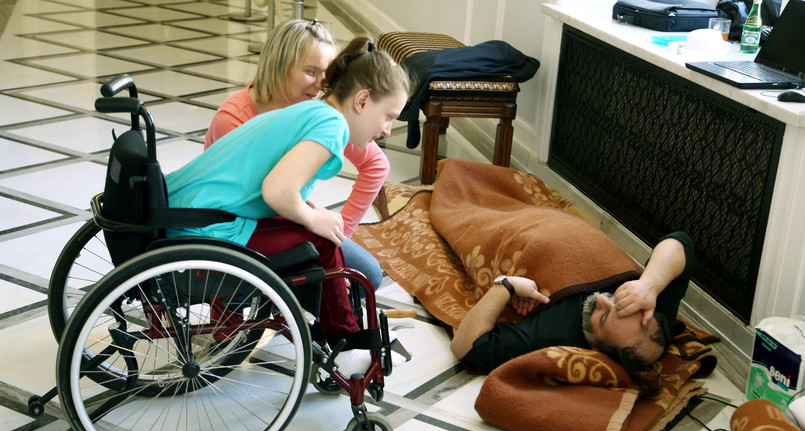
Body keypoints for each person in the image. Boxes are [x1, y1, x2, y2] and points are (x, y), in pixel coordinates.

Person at [165, 37, 409, 375]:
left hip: (187, 210)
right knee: (320, 241)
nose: (387, 129)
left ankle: (335, 332)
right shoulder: (331, 124)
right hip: (204, 224)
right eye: (389, 116)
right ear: (363, 100)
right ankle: (346, 345)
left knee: (313, 234)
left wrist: (312, 217)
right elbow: (277, 192)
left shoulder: (314, 111)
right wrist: (315, 218)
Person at [204, 19, 387, 292]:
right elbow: (253, 201)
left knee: (367, 275)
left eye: (326, 73)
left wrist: (339, 233)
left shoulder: (318, 112)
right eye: (311, 71)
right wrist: (310, 216)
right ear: (278, 66)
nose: (321, 84)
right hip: (238, 229)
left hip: (287, 219)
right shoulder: (233, 119)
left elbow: (375, 165)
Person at [450, 232, 696, 386]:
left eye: (603, 317)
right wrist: (649, 285)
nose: (602, 300)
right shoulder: (651, 317)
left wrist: (507, 285)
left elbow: (466, 349)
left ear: (596, 348)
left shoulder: (552, 336)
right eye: (621, 301)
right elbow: (681, 243)